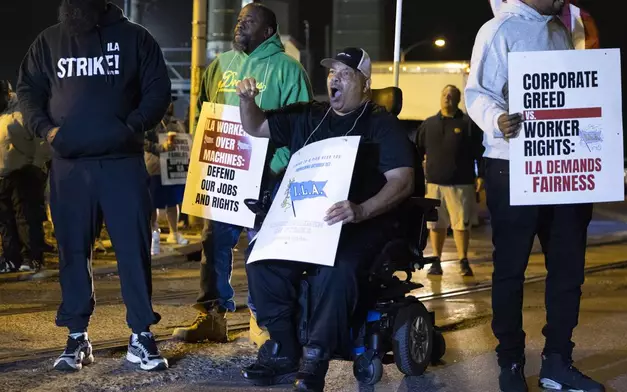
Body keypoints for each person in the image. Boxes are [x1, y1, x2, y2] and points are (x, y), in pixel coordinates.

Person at [236, 47, 416, 392]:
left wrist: (361, 209)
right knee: (263, 261)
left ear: (365, 84)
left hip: (360, 223)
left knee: (337, 268)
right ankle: (283, 348)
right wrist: (246, 99)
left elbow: (402, 180)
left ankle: (316, 358)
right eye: (332, 71)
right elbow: (256, 125)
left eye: (345, 73)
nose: (335, 77)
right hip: (306, 222)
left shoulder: (380, 122)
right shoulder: (309, 115)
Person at [17, 0, 171, 371]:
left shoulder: (136, 38)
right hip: (71, 166)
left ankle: (141, 336)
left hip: (122, 164)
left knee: (133, 252)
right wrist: (48, 130)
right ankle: (76, 337)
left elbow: (158, 90)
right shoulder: (49, 41)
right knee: (72, 253)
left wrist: (130, 127)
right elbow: (28, 92)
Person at [465, 1, 604, 391]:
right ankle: (510, 362)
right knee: (510, 269)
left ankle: (557, 361)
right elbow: (476, 92)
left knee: (568, 268)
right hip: (511, 165)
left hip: (561, 164)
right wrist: (496, 119)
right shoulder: (498, 31)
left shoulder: (562, 30)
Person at [172, 2, 312, 347]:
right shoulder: (220, 66)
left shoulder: (288, 70)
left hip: (268, 179)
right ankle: (213, 316)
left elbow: (304, 127)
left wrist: (278, 167)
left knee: (262, 250)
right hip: (225, 176)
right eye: (238, 20)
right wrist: (202, 159)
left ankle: (261, 320)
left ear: (268, 31)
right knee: (214, 243)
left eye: (248, 21)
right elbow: (202, 114)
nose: (239, 25)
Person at [416, 85, 483, 277]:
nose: (447, 97)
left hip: (461, 184)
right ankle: (436, 260)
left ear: (458, 99)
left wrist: (482, 176)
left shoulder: (468, 125)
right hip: (434, 184)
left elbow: (480, 153)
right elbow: (418, 150)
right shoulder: (428, 125)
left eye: (451, 95)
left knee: (461, 225)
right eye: (444, 94)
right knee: (436, 225)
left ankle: (463, 260)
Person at [0, 80, 50, 273]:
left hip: (24, 172)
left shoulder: (22, 110)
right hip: (2, 175)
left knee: (26, 219)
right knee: (5, 221)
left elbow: (41, 139)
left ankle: (32, 257)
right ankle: (11, 258)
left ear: (6, 94)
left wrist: (37, 165)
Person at [144, 101, 190, 256]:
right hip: (155, 167)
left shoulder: (174, 122)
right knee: (153, 203)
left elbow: (184, 139)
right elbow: (143, 142)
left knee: (172, 201)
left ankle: (174, 232)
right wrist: (159, 148)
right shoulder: (148, 121)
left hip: (172, 167)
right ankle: (154, 233)